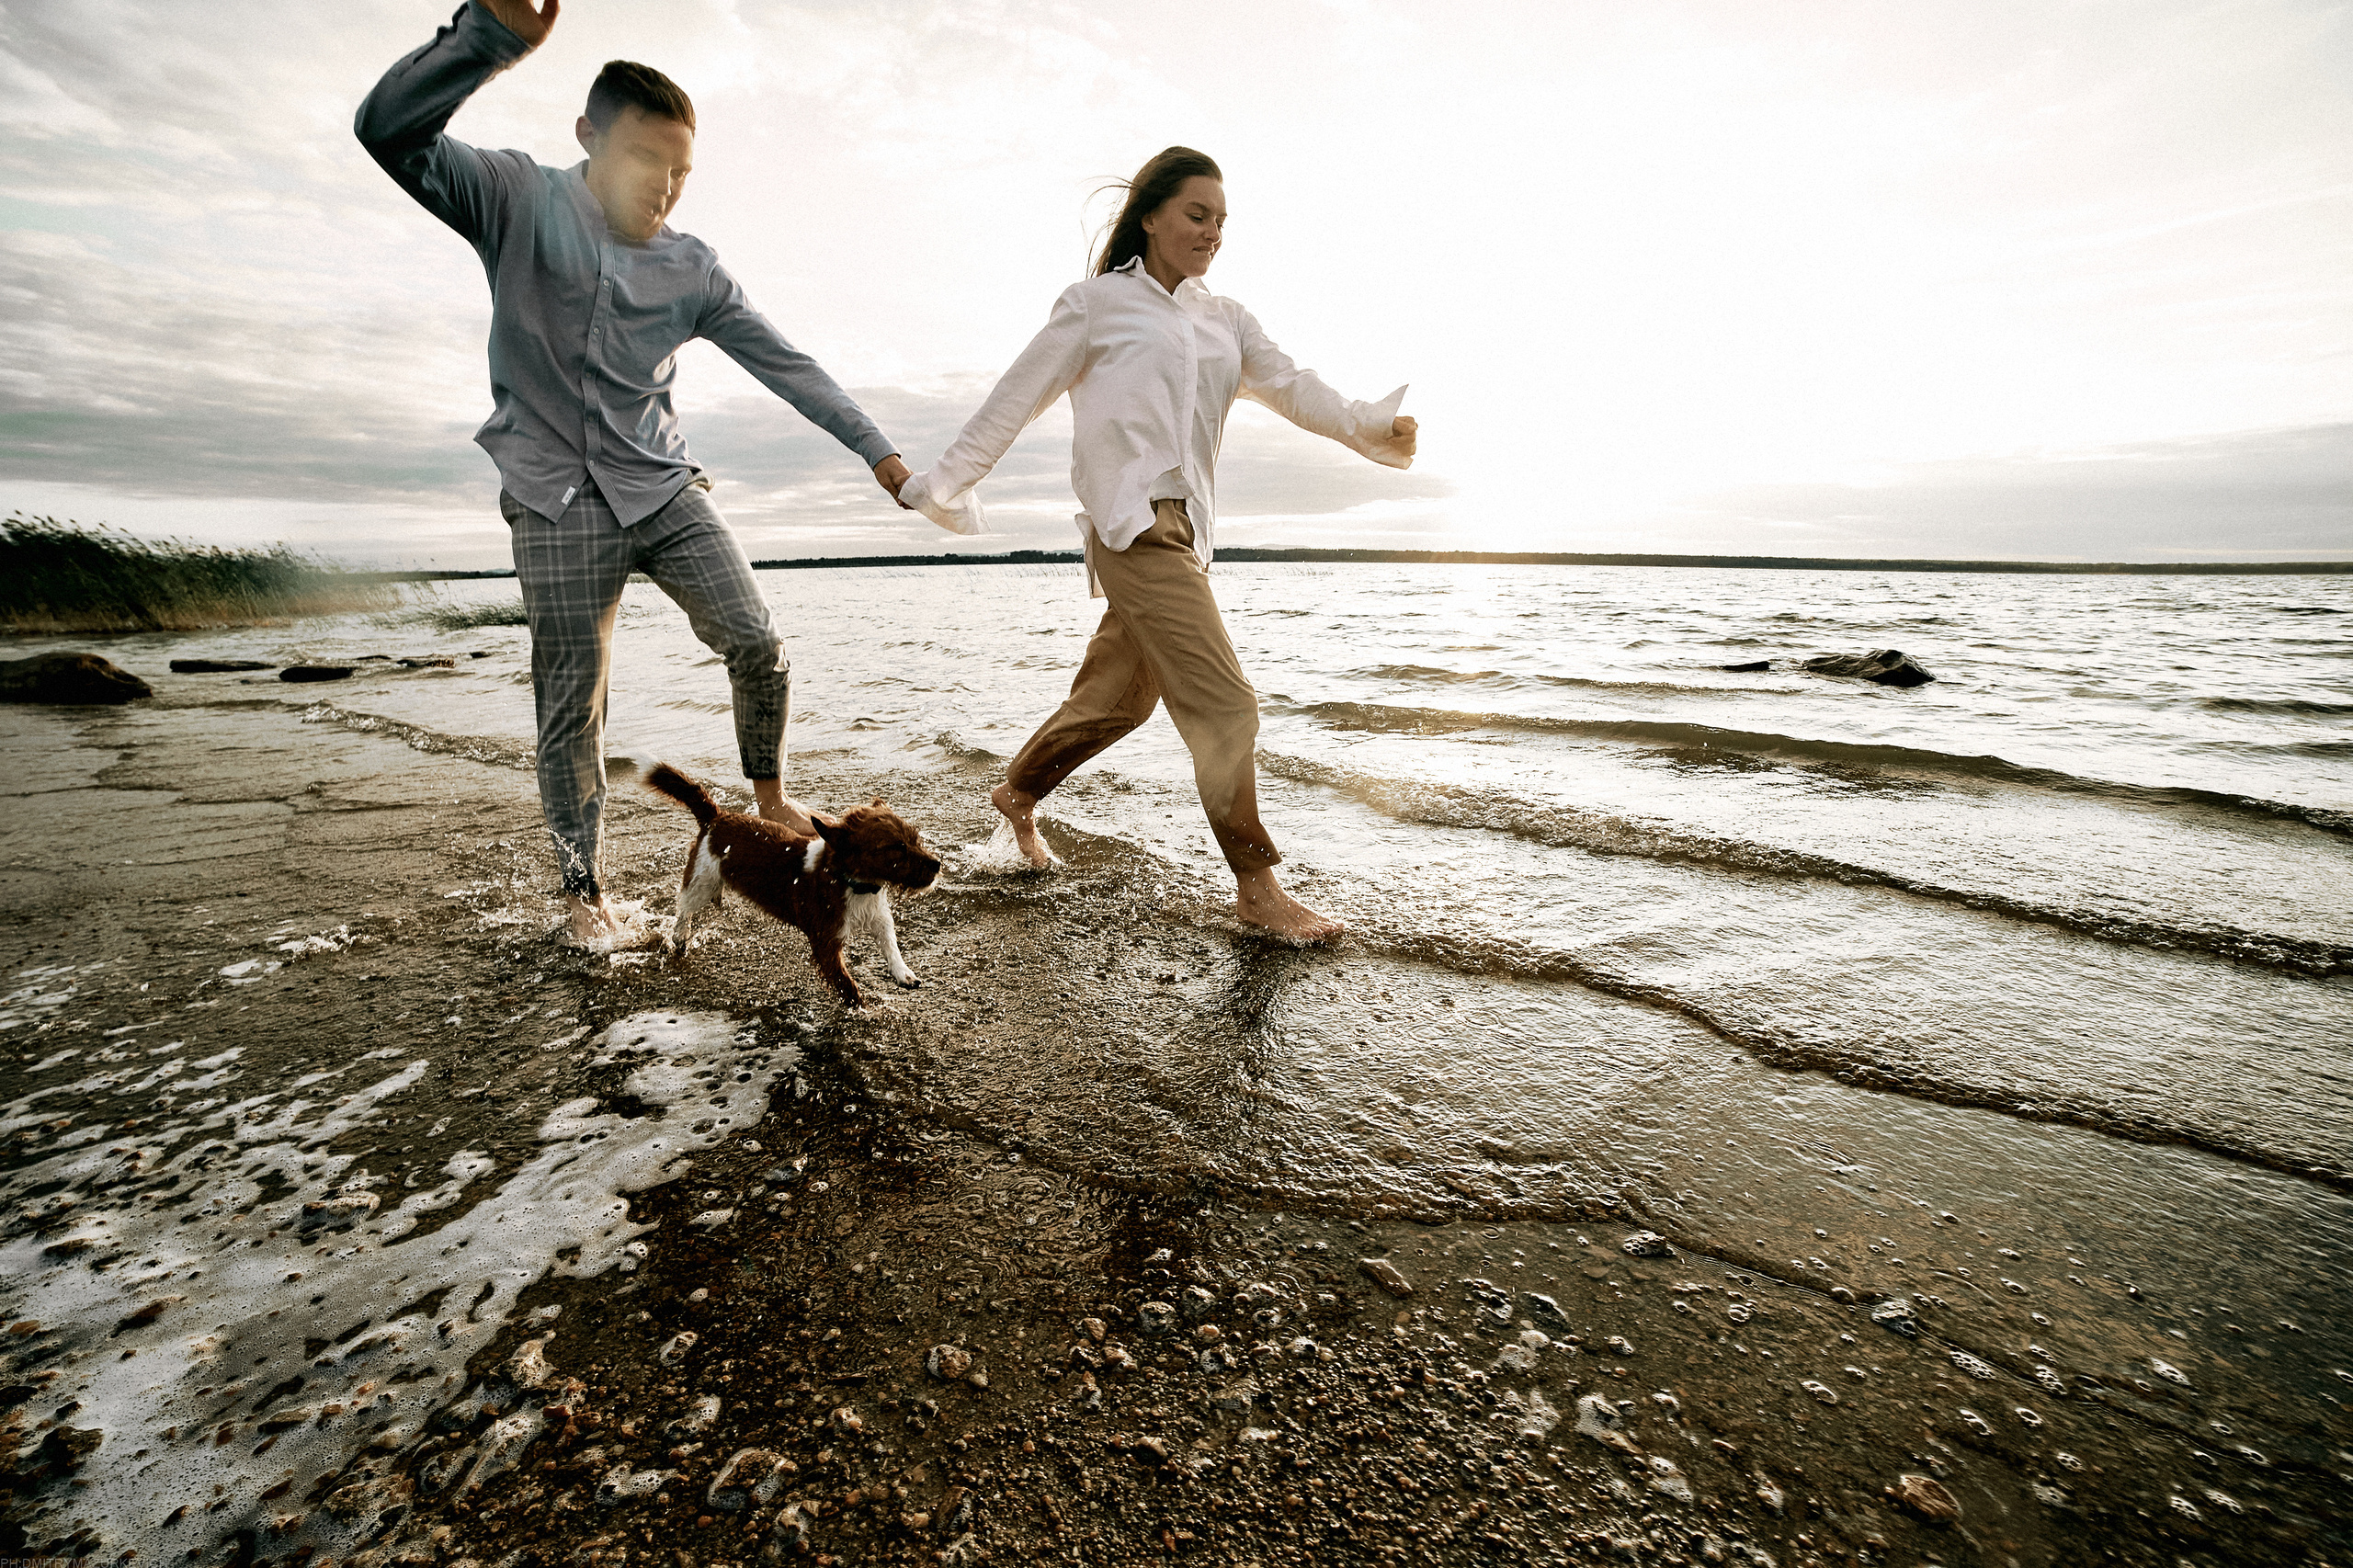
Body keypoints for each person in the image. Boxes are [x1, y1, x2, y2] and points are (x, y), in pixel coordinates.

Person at [356, 0, 910, 946]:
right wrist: (487, 44)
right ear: (589, 137)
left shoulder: (693, 267)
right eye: (649, 160)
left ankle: (769, 796)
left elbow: (786, 363)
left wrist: (879, 452)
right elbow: (388, 130)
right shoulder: (514, 197)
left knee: (757, 639)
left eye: (683, 171)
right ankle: (583, 892)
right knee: (572, 702)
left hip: (661, 488)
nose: (666, 187)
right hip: (553, 499)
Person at [898, 147, 1418, 942]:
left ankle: (1018, 792)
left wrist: (1371, 426)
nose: (1211, 232)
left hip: (1190, 533)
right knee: (1227, 708)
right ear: (1150, 215)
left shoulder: (1226, 320)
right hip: (1131, 527)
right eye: (1196, 215)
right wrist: (939, 485)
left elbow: (1294, 387)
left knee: (1116, 701)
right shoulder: (1096, 305)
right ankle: (1257, 889)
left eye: (1220, 221)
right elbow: (1016, 398)